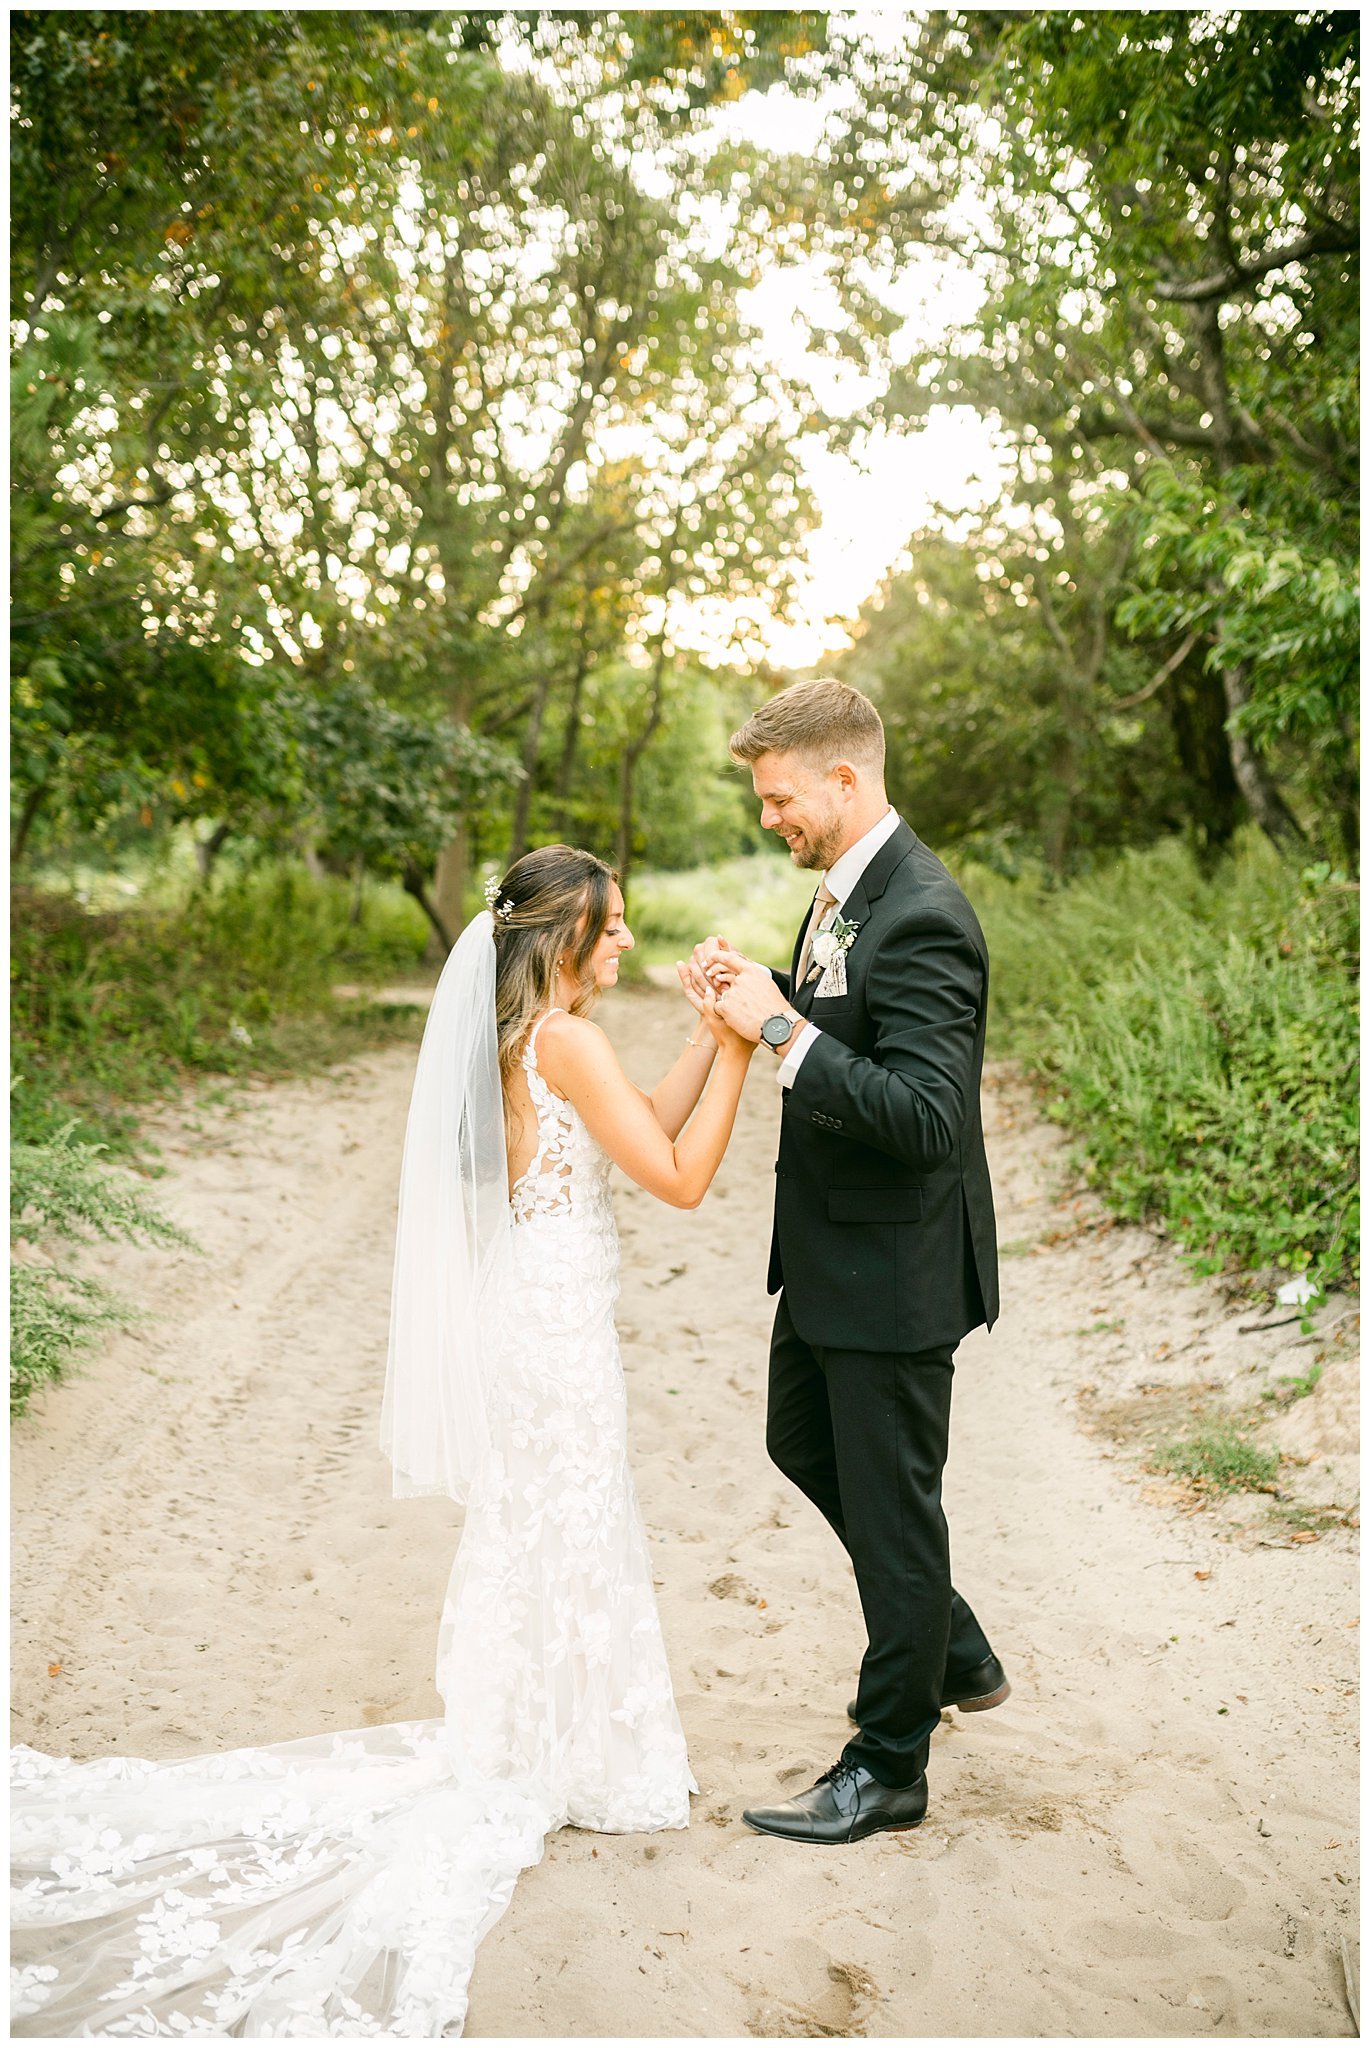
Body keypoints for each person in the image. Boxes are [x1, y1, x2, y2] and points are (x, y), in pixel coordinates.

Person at [11, 844, 755, 2037]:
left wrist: (702, 1046)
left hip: (538, 1307)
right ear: (564, 938)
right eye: (610, 926)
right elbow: (674, 1176)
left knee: (550, 1516)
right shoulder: (564, 1040)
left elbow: (632, 1128)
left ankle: (543, 1742)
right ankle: (556, 1755)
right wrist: (736, 1047)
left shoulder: (538, 1040)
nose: (625, 942)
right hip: (553, 1324)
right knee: (562, 1512)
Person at [690, 677, 1006, 1846]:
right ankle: (951, 1641)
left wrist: (777, 1028)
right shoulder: (840, 891)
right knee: (798, 1438)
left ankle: (887, 1767)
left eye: (780, 798)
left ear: (842, 776)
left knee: (894, 1509)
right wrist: (758, 995)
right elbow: (839, 1029)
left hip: (896, 1273)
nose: (770, 817)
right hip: (833, 1258)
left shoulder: (923, 909)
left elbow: (927, 1113)